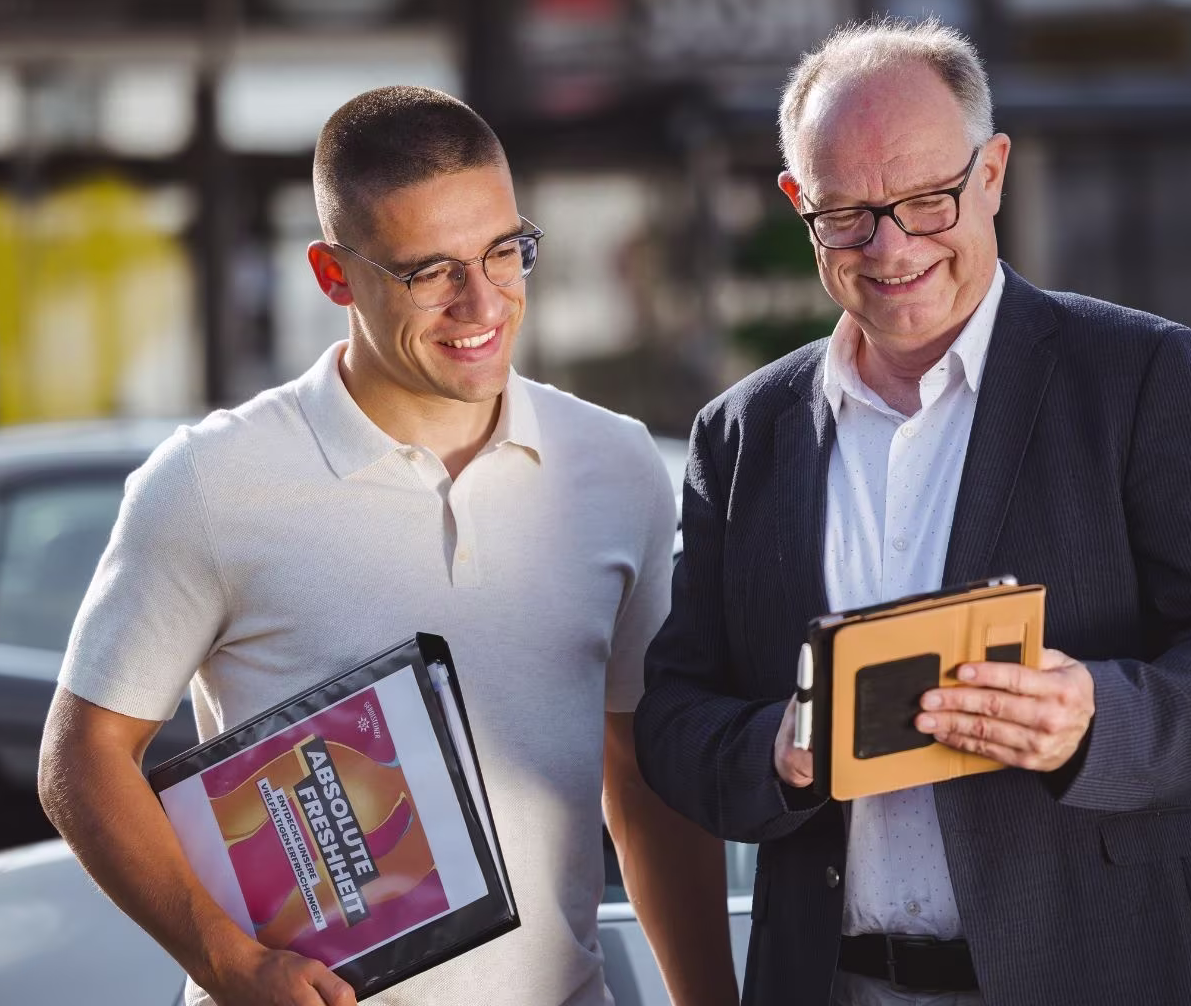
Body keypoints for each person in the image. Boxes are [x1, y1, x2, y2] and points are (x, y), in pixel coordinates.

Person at [633, 19, 1191, 1005]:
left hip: (1101, 975)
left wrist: (1096, 716)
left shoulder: (1133, 374)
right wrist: (774, 752)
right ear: (798, 205)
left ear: (992, 174)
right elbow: (673, 722)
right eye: (847, 215)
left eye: (927, 200)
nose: (891, 245)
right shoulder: (743, 434)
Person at [39, 87, 736, 1006]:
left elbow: (642, 779)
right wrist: (229, 965)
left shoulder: (615, 465)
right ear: (334, 275)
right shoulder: (210, 481)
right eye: (430, 272)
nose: (482, 303)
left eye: (504, 251)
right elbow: (81, 758)